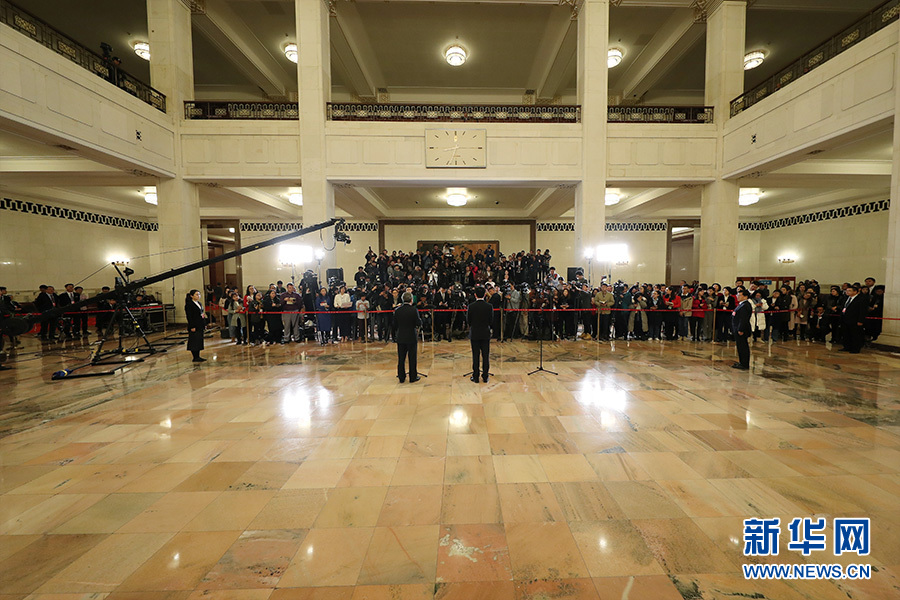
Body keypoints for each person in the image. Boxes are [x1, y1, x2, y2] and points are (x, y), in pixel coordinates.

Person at [467, 286, 493, 383]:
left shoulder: (471, 306)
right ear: (485, 295)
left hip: (475, 333)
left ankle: (476, 376)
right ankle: (485, 376)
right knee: (485, 356)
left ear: (475, 295)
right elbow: (491, 320)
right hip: (485, 333)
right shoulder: (489, 306)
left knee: (475, 355)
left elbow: (468, 320)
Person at [394, 291, 421, 383]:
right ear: (411, 300)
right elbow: (418, 323)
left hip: (401, 336)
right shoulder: (414, 310)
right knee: (412, 358)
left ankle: (401, 377)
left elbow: (394, 324)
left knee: (401, 358)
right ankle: (413, 376)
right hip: (411, 336)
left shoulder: (397, 310)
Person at [840, 285, 866, 353]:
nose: (847, 292)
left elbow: (862, 311)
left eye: (849, 291)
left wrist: (860, 320)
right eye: (847, 291)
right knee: (846, 334)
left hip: (854, 320)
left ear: (855, 292)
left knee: (855, 335)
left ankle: (855, 348)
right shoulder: (846, 298)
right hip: (845, 319)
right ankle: (847, 347)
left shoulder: (860, 299)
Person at [732, 289, 752, 370]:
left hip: (742, 329)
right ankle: (741, 362)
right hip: (737, 327)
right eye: (737, 295)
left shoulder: (745, 305)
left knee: (743, 346)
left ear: (745, 296)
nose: (738, 297)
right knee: (740, 346)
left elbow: (743, 319)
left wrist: (741, 329)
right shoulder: (741, 304)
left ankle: (744, 364)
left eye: (740, 295)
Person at [185, 289, 206, 362]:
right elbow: (189, 317)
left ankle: (198, 356)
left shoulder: (199, 303)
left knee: (199, 340)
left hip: (200, 324)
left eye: (199, 294)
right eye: (197, 294)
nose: (198, 296)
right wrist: (192, 326)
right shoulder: (189, 304)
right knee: (194, 341)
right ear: (192, 296)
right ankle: (195, 357)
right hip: (194, 325)